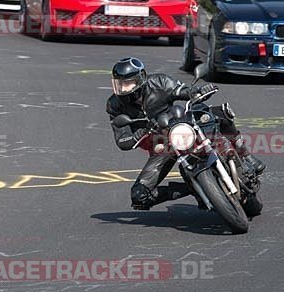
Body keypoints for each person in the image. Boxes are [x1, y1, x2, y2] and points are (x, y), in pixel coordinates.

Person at [106, 57, 266, 211]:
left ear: (140, 79)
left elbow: (181, 90)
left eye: (128, 84)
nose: (123, 89)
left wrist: (199, 90)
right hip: (161, 143)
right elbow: (122, 140)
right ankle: (195, 188)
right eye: (119, 84)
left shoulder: (159, 82)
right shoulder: (114, 105)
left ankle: (246, 155)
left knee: (220, 113)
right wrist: (141, 131)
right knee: (139, 196)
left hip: (180, 125)